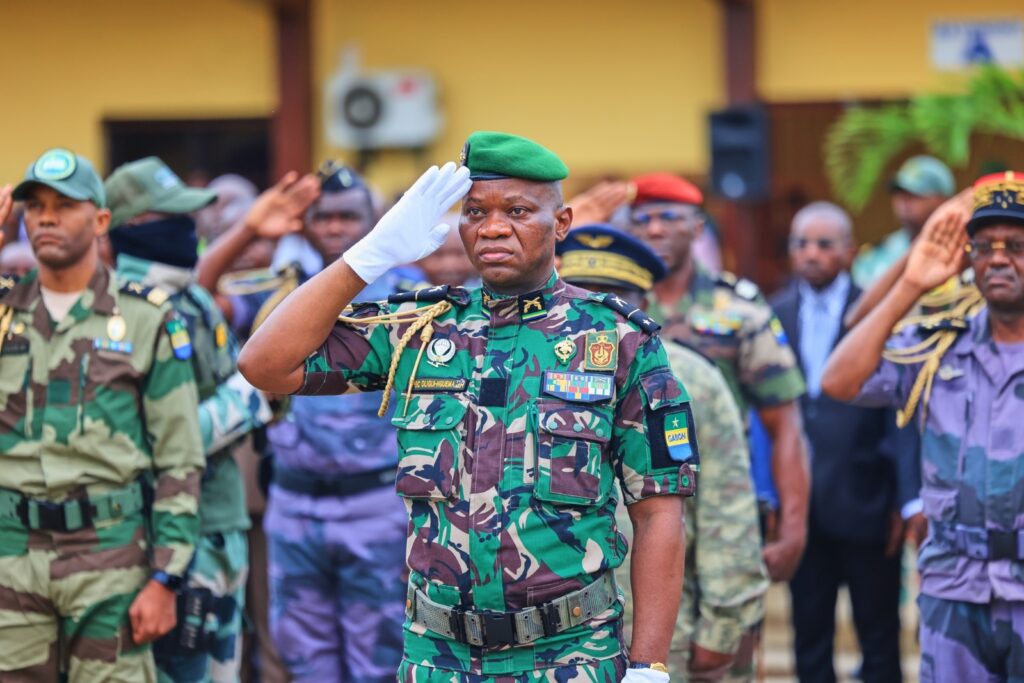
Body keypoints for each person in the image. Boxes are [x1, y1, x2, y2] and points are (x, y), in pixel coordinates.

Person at [238, 131, 697, 682]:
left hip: (570, 654)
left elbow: (658, 512)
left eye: (517, 211)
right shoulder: (420, 330)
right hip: (439, 656)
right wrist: (369, 256)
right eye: (475, 211)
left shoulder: (616, 340)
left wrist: (648, 666)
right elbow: (265, 364)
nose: (493, 227)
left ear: (562, 223)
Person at [199, 163, 411, 682]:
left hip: (376, 503)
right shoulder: (277, 293)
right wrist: (249, 228)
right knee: (303, 658)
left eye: (348, 217)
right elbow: (199, 296)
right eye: (323, 217)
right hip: (294, 503)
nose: (335, 227)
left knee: (380, 657)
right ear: (304, 224)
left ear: (374, 220)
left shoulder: (410, 295)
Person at [0, 149, 203, 680]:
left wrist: (166, 578)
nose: (46, 218)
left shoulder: (146, 316)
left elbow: (179, 456)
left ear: (101, 220)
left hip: (110, 556)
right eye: (35, 206)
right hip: (9, 554)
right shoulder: (4, 309)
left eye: (64, 205)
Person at [823, 171, 1024, 682]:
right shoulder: (936, 346)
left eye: (1017, 246)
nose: (998, 259)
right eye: (984, 247)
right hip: (954, 589)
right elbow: (839, 381)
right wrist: (911, 284)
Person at [558, 224, 769, 681]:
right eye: (582, 293)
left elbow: (727, 510)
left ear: (646, 304)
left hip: (663, 632)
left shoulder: (690, 378)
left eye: (616, 296)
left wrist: (721, 629)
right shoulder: (531, 371)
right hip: (558, 640)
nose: (598, 310)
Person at [103, 157, 272, 683]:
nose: (188, 226)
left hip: (222, 520)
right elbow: (160, 437)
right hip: (166, 535)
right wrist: (257, 391)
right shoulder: (120, 311)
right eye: (172, 216)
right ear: (133, 225)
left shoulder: (193, 295)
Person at [625, 173, 809, 579]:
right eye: (642, 219)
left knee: (729, 614)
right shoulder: (614, 309)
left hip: (723, 505)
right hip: (633, 505)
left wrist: (794, 528)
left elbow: (785, 423)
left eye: (668, 217)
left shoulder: (739, 309)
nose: (654, 229)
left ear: (697, 228)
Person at [771, 202, 907, 683]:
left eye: (824, 244)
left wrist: (903, 498)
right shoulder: (772, 313)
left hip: (868, 502)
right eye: (801, 243)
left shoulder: (878, 313)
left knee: (880, 639)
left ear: (849, 251)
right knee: (810, 640)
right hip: (801, 510)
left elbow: (900, 412)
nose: (811, 253)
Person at [851, 155, 955, 288]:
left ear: (943, 200)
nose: (903, 202)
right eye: (899, 193)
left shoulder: (965, 249)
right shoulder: (875, 256)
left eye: (914, 194)